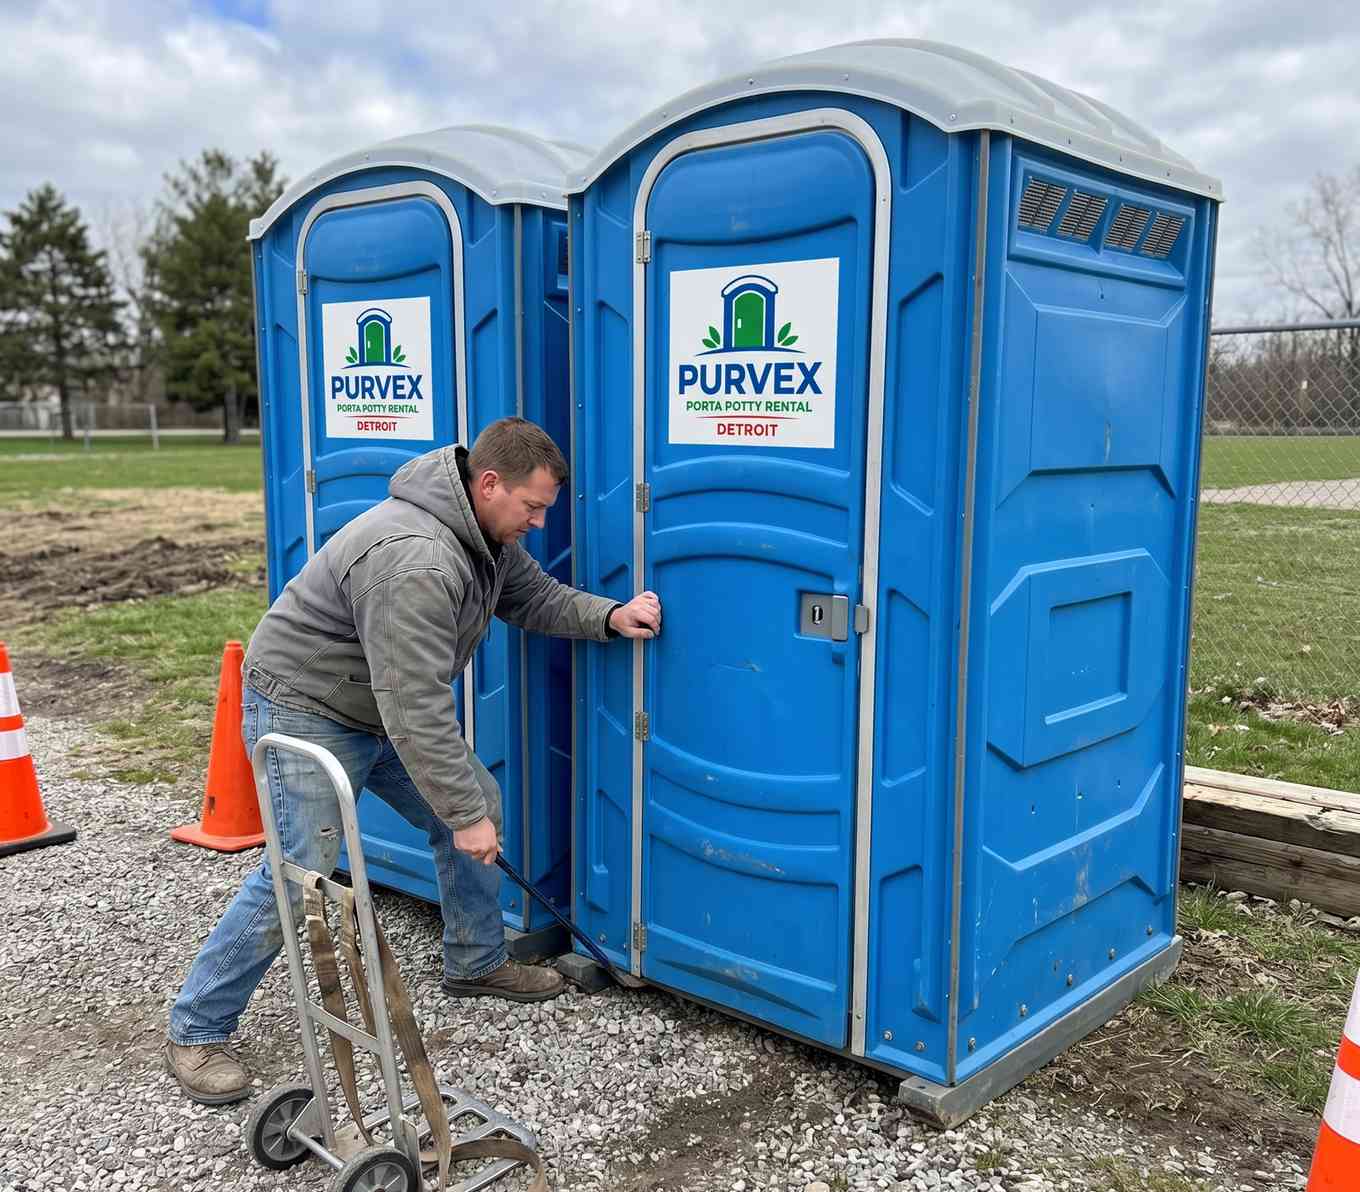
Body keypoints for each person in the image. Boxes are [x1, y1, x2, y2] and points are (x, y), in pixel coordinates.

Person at [165, 417, 661, 1105]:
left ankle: (476, 962)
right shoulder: (418, 556)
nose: (540, 523)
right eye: (533, 506)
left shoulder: (480, 534)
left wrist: (609, 615)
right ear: (489, 484)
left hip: (371, 702)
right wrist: (460, 817)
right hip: (305, 706)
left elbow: (533, 597)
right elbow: (414, 705)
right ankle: (196, 1027)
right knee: (302, 870)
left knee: (475, 801)